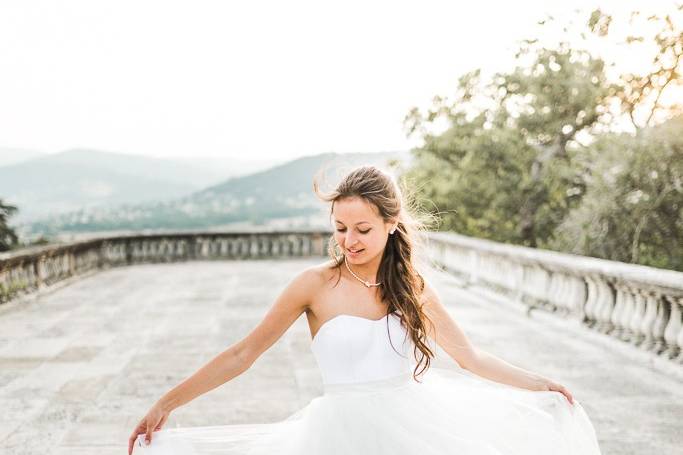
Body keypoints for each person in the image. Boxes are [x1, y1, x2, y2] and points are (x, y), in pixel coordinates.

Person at [128, 165, 602, 455]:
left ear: (391, 225)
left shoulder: (410, 286)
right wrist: (164, 404)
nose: (348, 241)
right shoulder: (312, 286)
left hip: (417, 429)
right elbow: (242, 354)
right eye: (339, 229)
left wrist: (541, 383)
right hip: (337, 436)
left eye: (362, 229)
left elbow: (470, 358)